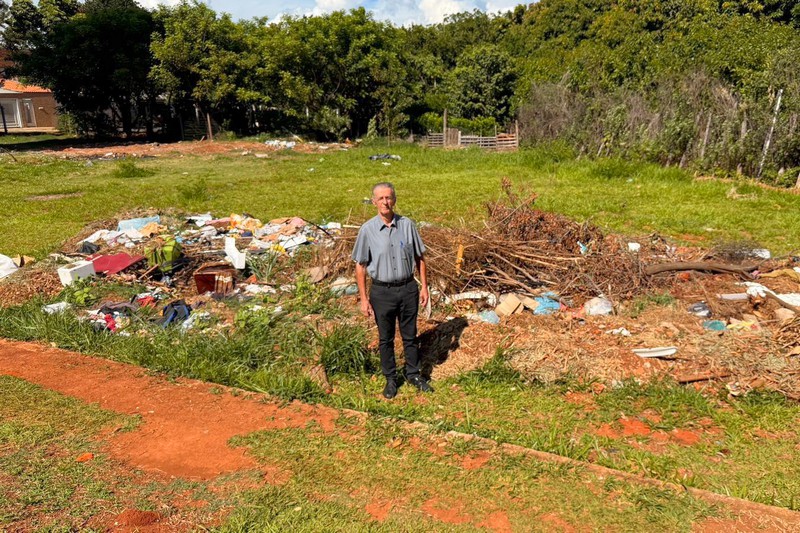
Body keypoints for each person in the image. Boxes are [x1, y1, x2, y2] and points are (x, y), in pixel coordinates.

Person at [352, 182, 432, 399]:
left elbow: (420, 257)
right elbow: (360, 265)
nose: (385, 202)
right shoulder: (367, 230)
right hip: (382, 292)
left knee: (410, 335)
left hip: (407, 289)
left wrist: (424, 287)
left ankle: (413, 374)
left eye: (388, 197)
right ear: (374, 202)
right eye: (381, 198)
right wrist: (363, 298)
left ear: (394, 199)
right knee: (385, 338)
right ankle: (390, 378)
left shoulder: (407, 225)